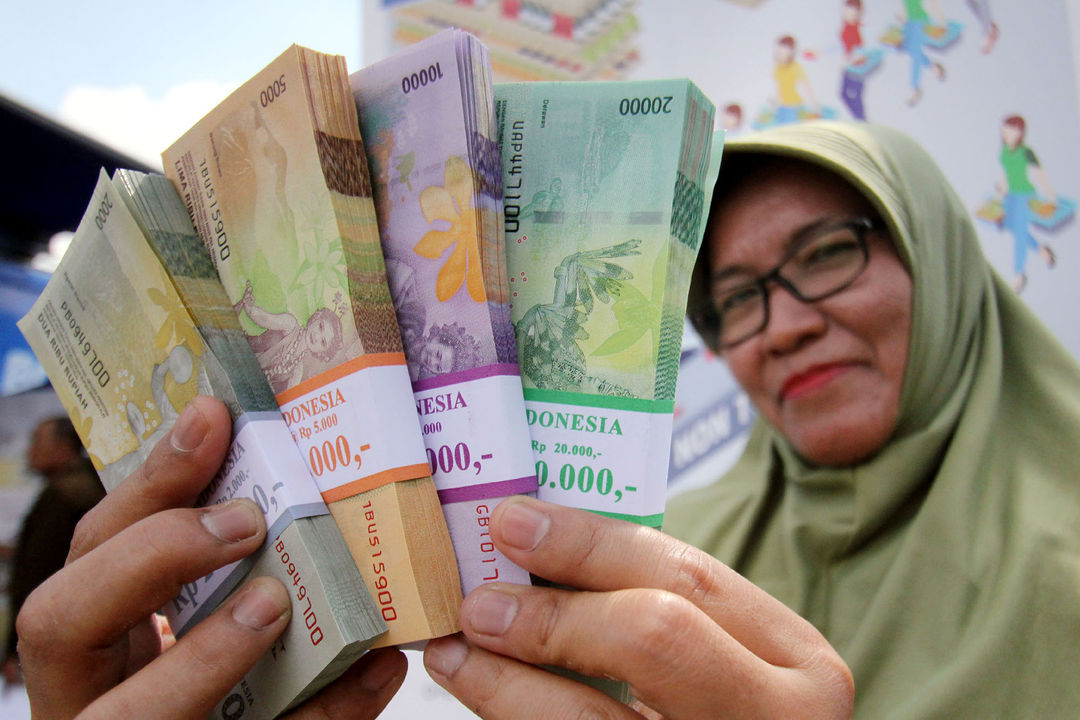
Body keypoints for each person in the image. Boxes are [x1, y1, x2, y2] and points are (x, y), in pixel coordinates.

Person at [17, 122, 1080, 718]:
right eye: (737, 297)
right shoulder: (651, 550)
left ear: (939, 263)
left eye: (825, 254)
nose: (783, 327)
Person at [3, 417, 104, 686]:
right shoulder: (82, 485)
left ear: (62, 447)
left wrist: (16, 648)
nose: (29, 451)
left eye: (37, 440)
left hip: (55, 635)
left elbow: (37, 573)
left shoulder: (64, 495)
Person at [996, 114, 1057, 293]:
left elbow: (1039, 175)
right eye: (1006, 129)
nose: (1009, 133)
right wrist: (1002, 190)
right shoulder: (1004, 152)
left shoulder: (1026, 152)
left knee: (1020, 232)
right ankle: (1041, 250)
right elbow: (1007, 174)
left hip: (1026, 195)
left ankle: (1018, 274)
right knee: (1012, 227)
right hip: (1011, 196)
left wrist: (1051, 197)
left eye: (1014, 130)